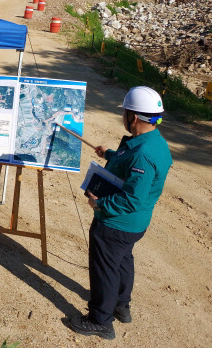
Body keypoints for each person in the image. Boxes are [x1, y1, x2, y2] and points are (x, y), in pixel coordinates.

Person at [68, 86, 172, 340]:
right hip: (133, 226)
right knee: (123, 261)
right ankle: (121, 305)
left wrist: (101, 204)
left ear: (133, 117)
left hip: (117, 224)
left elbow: (132, 198)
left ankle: (100, 320)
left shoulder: (143, 155)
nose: (123, 116)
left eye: (125, 112)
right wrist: (111, 155)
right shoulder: (153, 142)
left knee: (105, 269)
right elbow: (131, 166)